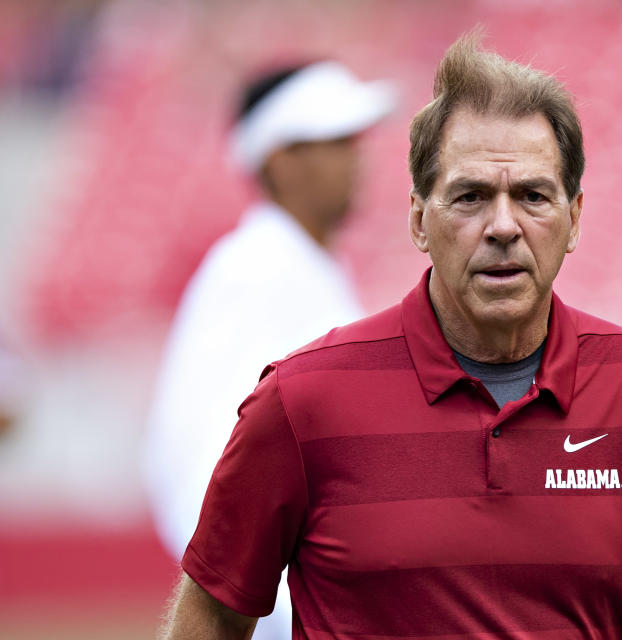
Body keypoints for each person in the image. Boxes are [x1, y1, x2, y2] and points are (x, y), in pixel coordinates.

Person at [161, 34, 622, 640]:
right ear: (417, 219)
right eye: (470, 196)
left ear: (574, 218)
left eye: (534, 195)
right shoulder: (299, 400)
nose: (504, 226)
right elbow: (215, 613)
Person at [143, 60, 394, 640]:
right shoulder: (253, 272)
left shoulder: (304, 269)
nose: (358, 155)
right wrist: (278, 608)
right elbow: (207, 468)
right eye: (335, 141)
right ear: (281, 161)